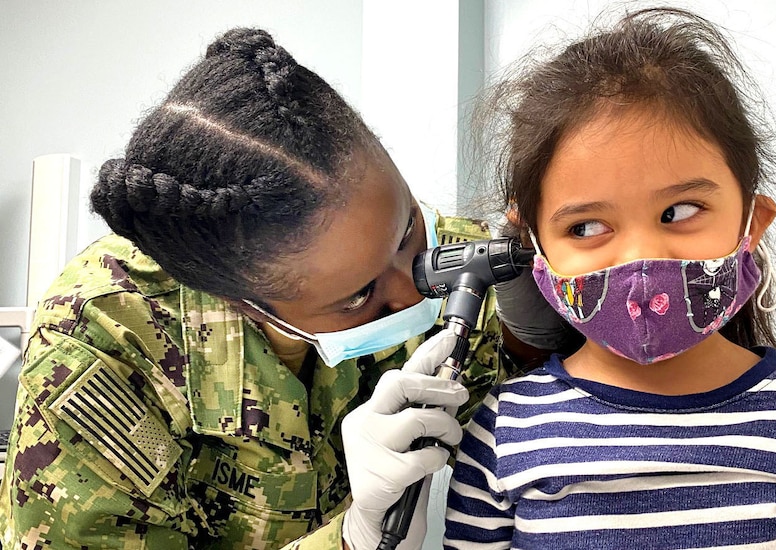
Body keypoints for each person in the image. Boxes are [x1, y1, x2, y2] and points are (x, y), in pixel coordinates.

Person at [0, 28, 564, 550]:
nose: (416, 289)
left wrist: (528, 337)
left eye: (408, 227)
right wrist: (354, 537)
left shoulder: (456, 262)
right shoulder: (103, 343)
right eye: (359, 297)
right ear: (238, 302)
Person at [444, 6, 776, 549]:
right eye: (588, 226)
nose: (641, 261)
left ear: (752, 222)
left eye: (681, 211)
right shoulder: (504, 431)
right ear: (535, 248)